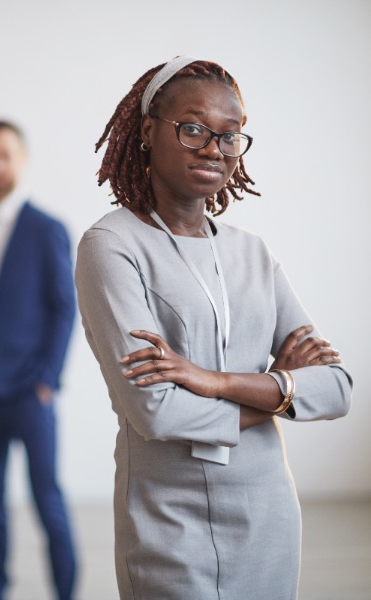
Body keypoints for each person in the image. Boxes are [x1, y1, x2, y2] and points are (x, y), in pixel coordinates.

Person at [75, 56, 353, 600]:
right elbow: (155, 410)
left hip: (268, 513)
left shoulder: (253, 253)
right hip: (169, 524)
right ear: (149, 130)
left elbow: (338, 388)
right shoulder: (112, 245)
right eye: (194, 128)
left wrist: (213, 380)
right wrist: (280, 393)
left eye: (230, 136)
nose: (213, 149)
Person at [0, 120, 77, 600]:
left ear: (22, 159)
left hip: (30, 387)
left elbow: (64, 306)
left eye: (4, 155)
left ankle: (66, 590)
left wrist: (47, 377)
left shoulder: (45, 228)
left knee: (46, 498)